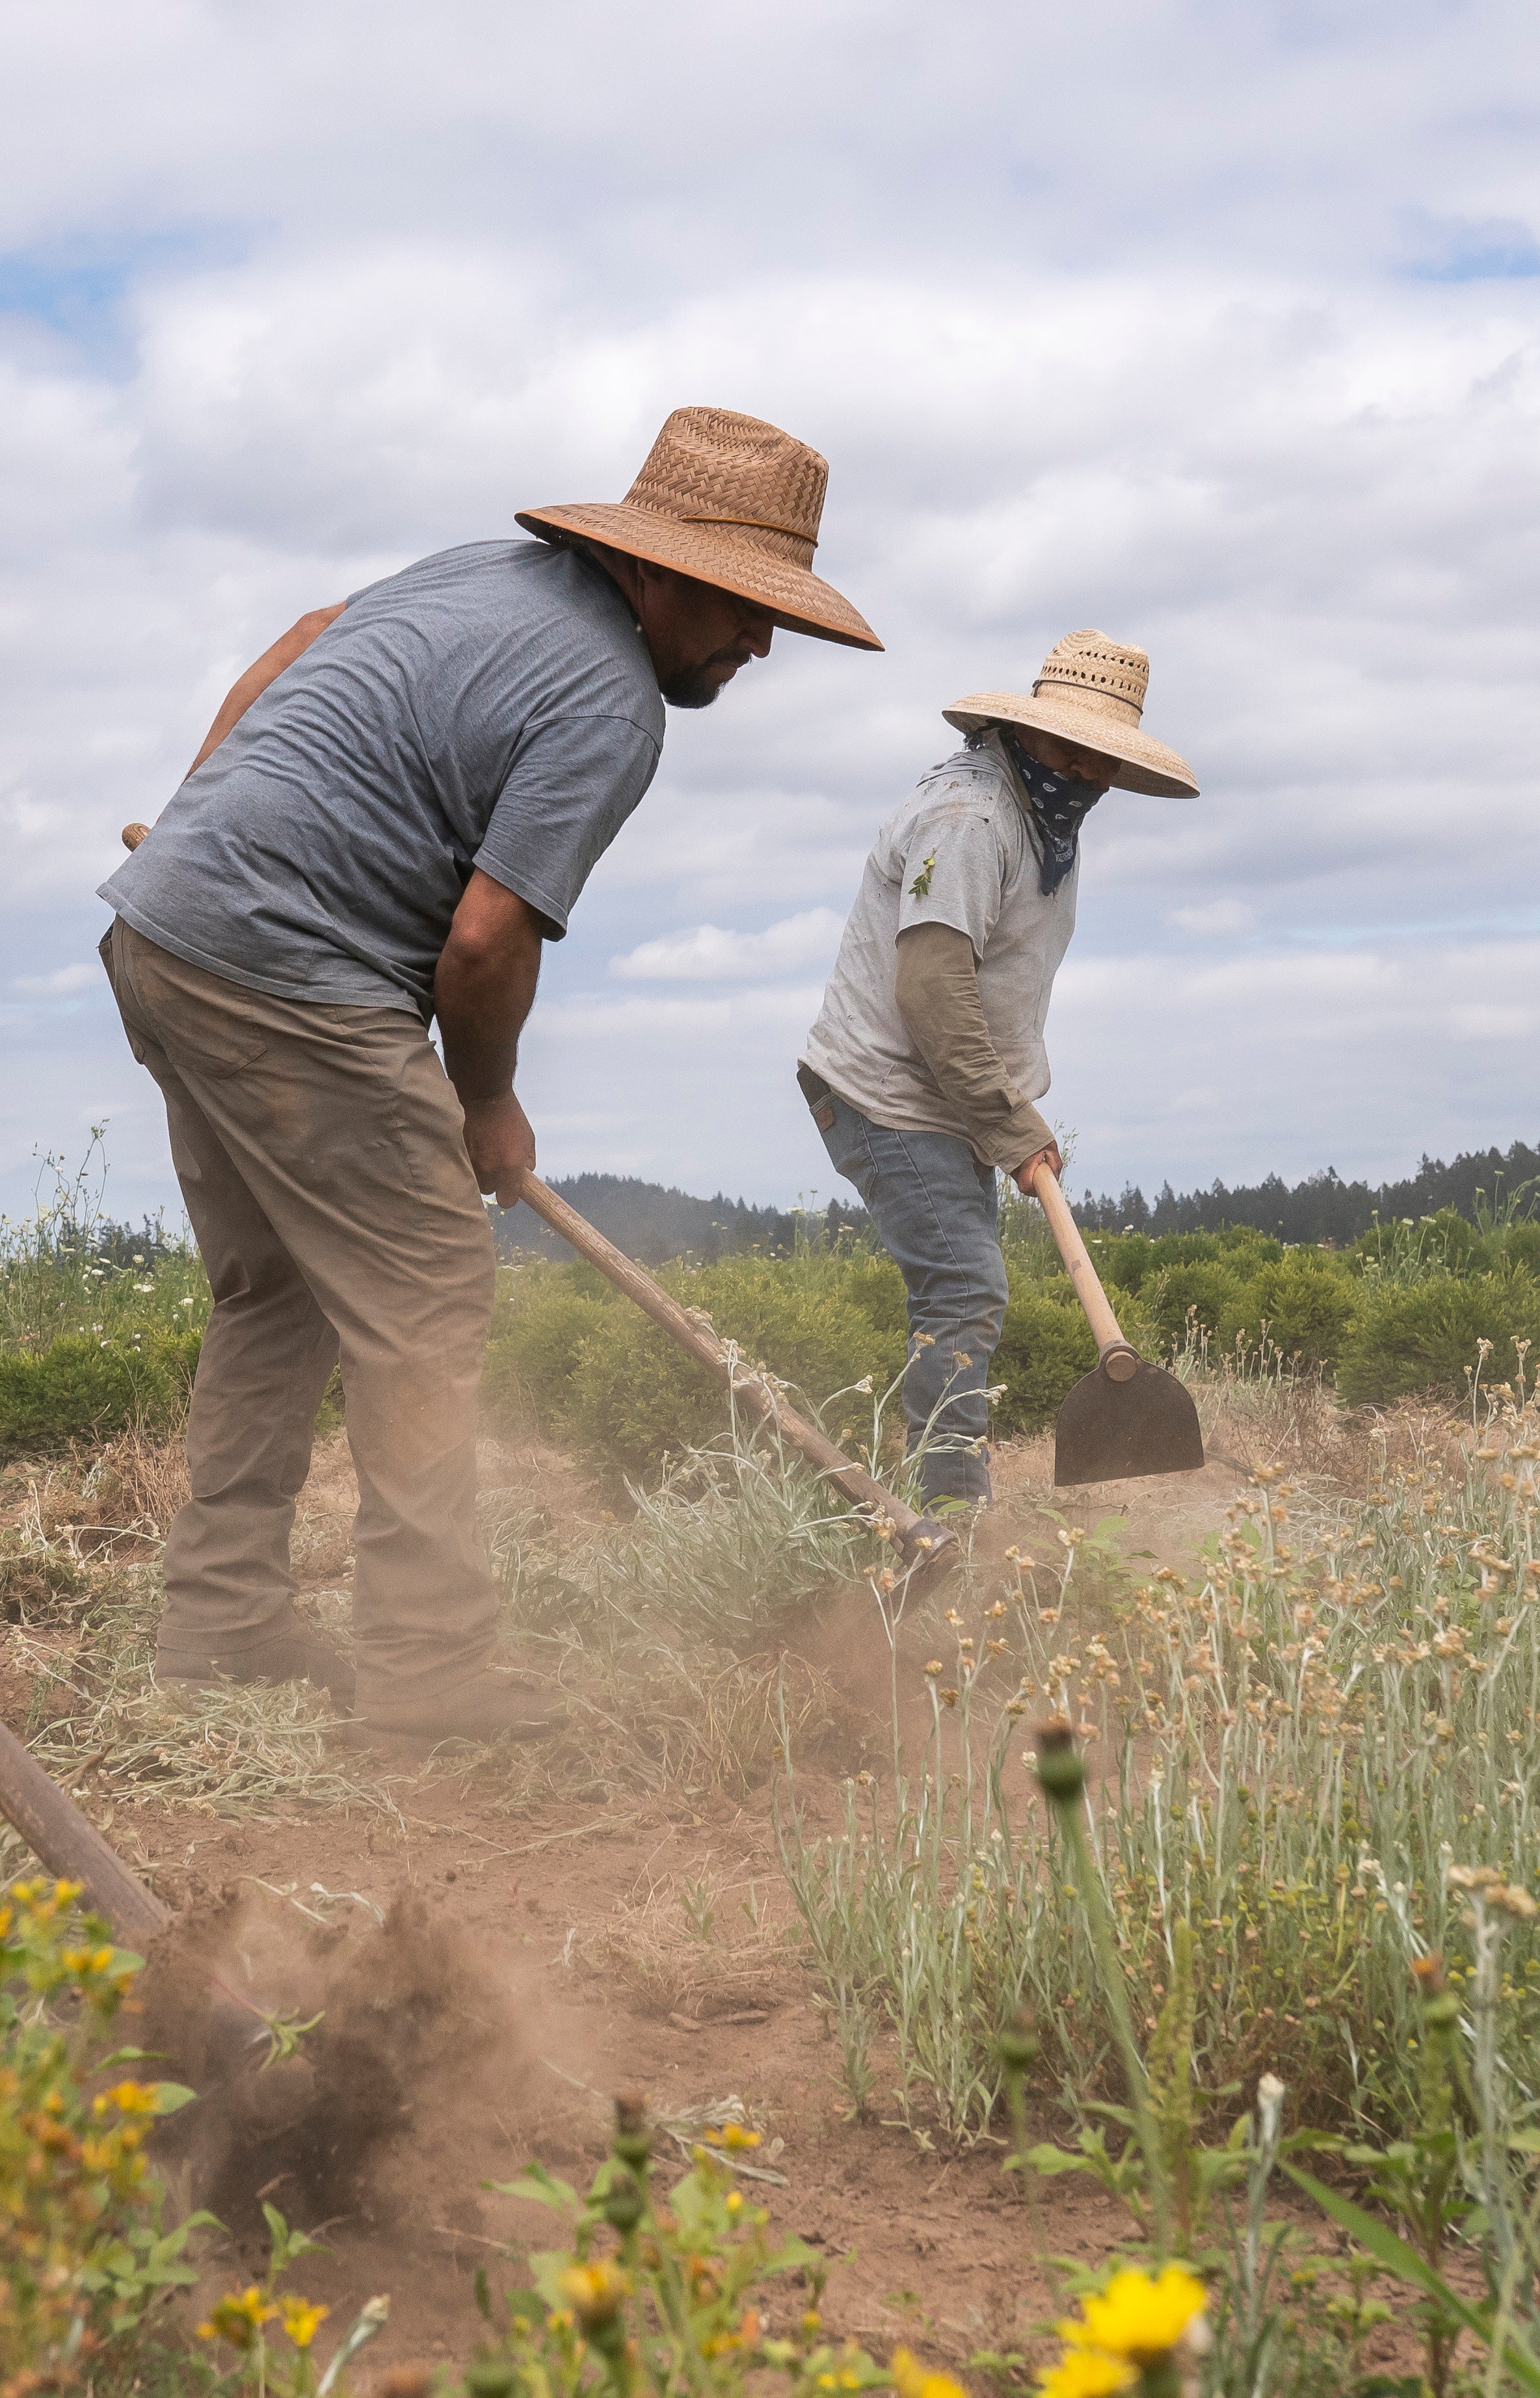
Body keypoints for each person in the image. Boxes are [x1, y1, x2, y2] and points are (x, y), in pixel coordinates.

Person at [99, 409, 879, 1748]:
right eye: (747, 612)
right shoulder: (612, 705)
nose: (757, 646)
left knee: (274, 1293)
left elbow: (306, 630)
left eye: (776, 622)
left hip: (163, 935)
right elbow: (483, 939)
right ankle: (428, 1675)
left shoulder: (475, 573)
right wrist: (487, 1103)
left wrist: (197, 811)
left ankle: (223, 1623)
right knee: (427, 1300)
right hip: (291, 978)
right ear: (660, 571)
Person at [794, 632, 1199, 1517]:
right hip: (888, 1092)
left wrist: (1005, 1110)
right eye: (1068, 749)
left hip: (951, 1098)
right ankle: (947, 1524)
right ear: (1026, 731)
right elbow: (932, 991)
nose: (1085, 771)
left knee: (963, 1286)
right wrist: (1007, 1120)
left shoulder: (1044, 817)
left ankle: (946, 1501)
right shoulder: (971, 820)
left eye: (1101, 758)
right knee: (965, 1285)